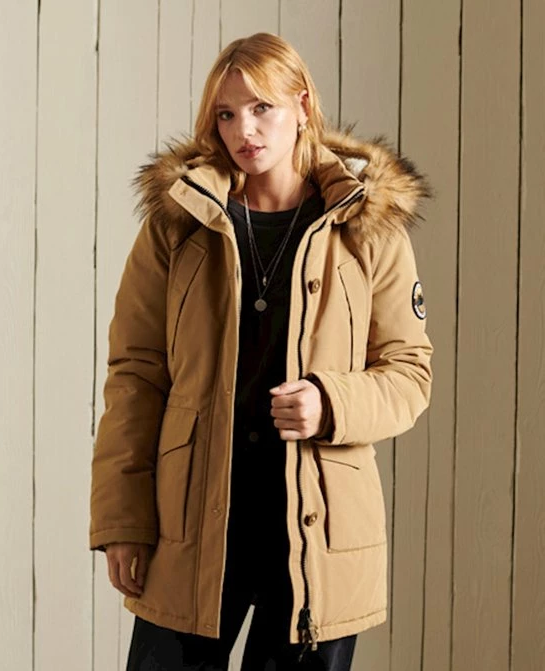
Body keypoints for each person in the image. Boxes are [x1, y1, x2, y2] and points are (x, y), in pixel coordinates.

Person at [90, 32, 433, 671]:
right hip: (193, 525)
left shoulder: (367, 224)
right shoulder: (178, 222)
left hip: (318, 534)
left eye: (261, 108)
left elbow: (410, 373)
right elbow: (136, 374)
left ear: (301, 105)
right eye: (226, 114)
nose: (243, 130)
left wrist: (330, 402)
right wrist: (122, 521)